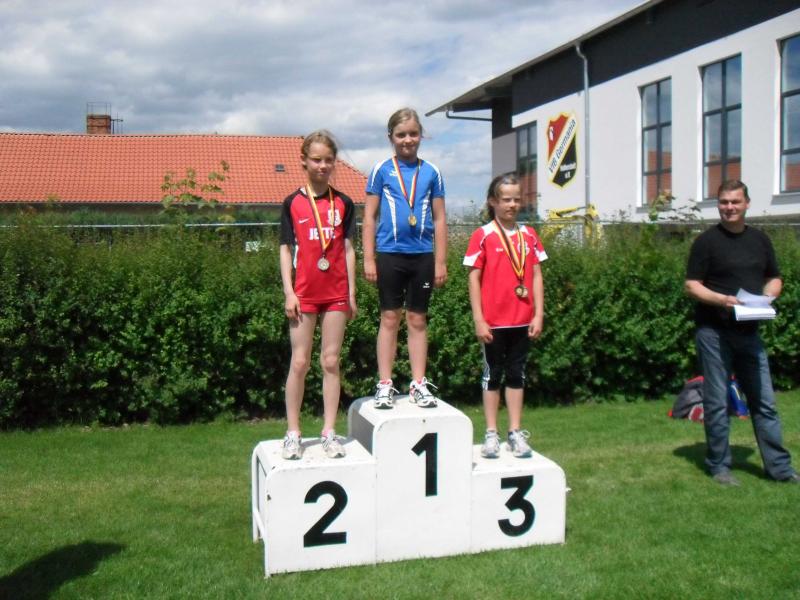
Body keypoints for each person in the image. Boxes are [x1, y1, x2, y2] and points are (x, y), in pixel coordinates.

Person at [685, 179, 798, 485]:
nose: (729, 207)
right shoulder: (706, 242)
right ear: (718, 205)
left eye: (735, 202)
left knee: (764, 402)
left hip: (749, 332)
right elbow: (692, 285)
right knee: (717, 402)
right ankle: (719, 466)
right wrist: (723, 300)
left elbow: (774, 277)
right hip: (714, 332)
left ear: (747, 203)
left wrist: (768, 296)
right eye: (724, 202)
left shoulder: (760, 240)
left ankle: (780, 469)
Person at [279, 130, 357, 460]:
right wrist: (289, 292)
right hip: (304, 293)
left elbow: (348, 249)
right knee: (299, 362)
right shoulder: (292, 203)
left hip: (336, 292)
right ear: (304, 161)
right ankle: (293, 433)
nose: (323, 165)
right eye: (316, 159)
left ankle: (328, 432)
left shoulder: (344, 203)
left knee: (331, 361)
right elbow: (285, 249)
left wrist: (351, 292)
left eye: (328, 160)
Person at [362, 108, 447, 409]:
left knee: (417, 319)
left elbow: (440, 219)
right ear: (391, 137)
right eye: (401, 135)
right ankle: (385, 384)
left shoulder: (432, 172)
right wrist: (368, 258)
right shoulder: (381, 170)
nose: (407, 139)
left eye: (413, 133)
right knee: (389, 317)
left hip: (422, 255)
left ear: (421, 135)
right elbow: (369, 217)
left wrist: (440, 261)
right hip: (389, 254)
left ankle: (418, 383)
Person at [464, 173, 547, 458]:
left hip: (522, 320)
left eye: (516, 199)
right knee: (492, 375)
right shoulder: (483, 235)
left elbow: (536, 275)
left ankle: (515, 432)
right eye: (506, 199)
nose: (512, 205)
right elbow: (473, 278)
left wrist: (538, 314)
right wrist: (479, 319)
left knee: (516, 374)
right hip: (493, 322)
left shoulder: (529, 235)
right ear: (493, 201)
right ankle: (491, 433)